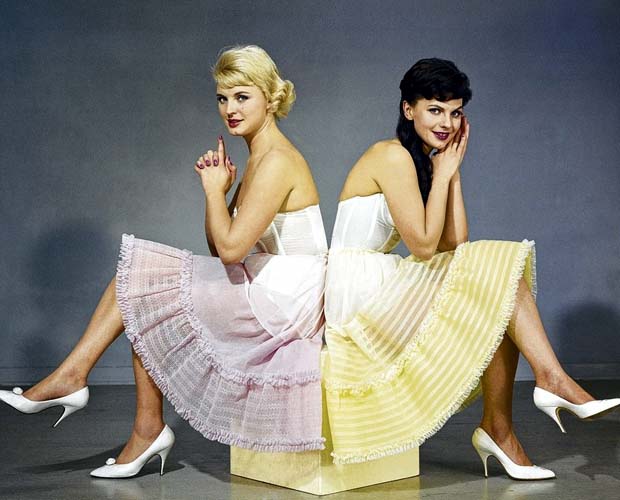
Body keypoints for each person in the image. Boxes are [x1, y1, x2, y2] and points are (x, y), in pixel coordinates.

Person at [0, 45, 328, 478]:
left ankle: (83, 384)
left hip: (288, 299)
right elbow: (220, 250)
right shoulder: (260, 158)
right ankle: (137, 423)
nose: (229, 109)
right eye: (222, 98)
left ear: (270, 98)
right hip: (269, 283)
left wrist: (213, 191)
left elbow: (231, 252)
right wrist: (218, 192)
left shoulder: (277, 161)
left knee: (143, 282)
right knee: (143, 293)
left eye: (242, 97)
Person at [322, 58, 620, 480]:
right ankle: (548, 383)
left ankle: (502, 427)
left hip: (382, 282)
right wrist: (443, 175)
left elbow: (455, 243)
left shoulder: (421, 161)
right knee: (495, 271)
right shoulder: (390, 156)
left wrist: (452, 173)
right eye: (435, 109)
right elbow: (424, 246)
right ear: (408, 108)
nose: (446, 123)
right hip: (358, 293)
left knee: (495, 289)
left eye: (455, 112)